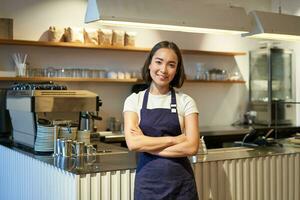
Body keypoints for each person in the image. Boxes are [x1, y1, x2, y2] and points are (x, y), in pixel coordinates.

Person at [123, 41, 200, 200]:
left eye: (171, 65)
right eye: (159, 62)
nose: (163, 70)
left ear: (177, 70)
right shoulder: (134, 100)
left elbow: (192, 147)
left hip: (182, 185)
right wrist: (174, 140)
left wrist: (146, 144)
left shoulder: (186, 101)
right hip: (147, 185)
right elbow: (133, 144)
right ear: (150, 64)